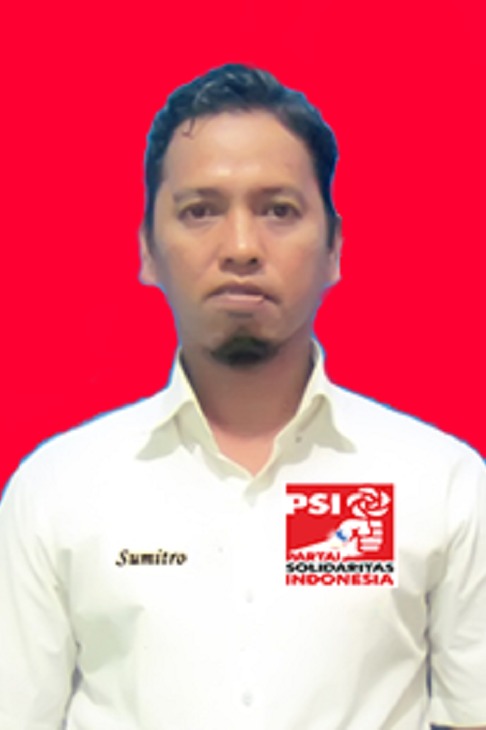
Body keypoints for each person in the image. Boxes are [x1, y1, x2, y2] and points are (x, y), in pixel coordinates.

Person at [0, 63, 485, 730]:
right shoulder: (57, 489)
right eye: (200, 211)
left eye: (278, 210)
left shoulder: (443, 482)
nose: (240, 247)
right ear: (147, 250)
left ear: (335, 247)